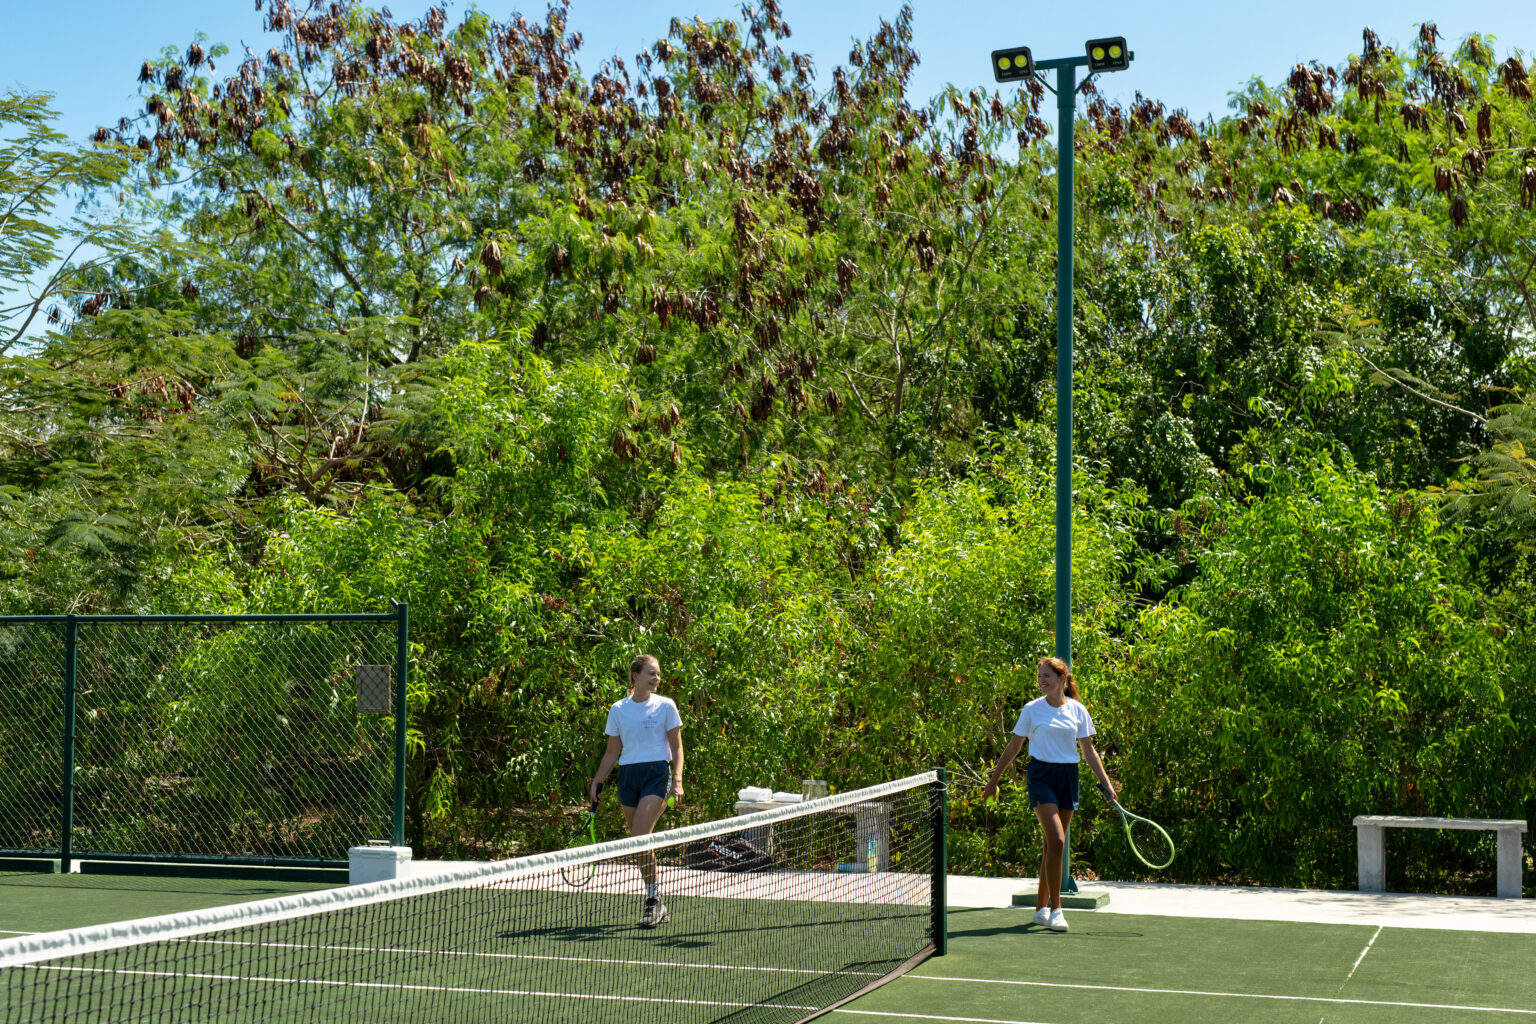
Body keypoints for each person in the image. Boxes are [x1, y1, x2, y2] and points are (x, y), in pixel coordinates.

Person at [981, 656, 1114, 933]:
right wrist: (993, 781)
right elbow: (1014, 746)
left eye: (1046, 676)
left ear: (1062, 679)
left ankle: (1040, 909)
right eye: (1039, 676)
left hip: (1068, 776)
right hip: (1041, 775)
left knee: (1051, 846)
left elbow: (1088, 751)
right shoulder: (1032, 709)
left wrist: (1106, 783)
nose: (1041, 681)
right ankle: (1056, 909)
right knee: (1057, 840)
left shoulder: (1078, 710)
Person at [588, 654, 684, 929]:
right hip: (628, 777)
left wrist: (677, 780)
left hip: (656, 774)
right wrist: (597, 782)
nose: (657, 678)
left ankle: (653, 901)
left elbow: (677, 747)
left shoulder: (666, 706)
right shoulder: (618, 709)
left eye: (658, 674)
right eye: (651, 673)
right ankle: (656, 898)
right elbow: (612, 752)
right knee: (638, 843)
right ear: (635, 676)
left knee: (639, 837)